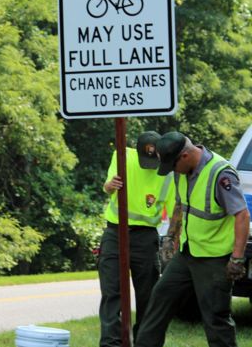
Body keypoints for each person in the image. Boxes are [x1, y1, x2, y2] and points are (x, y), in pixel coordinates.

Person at [135, 131, 250, 347]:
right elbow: (181, 205)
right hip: (187, 254)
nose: (171, 171)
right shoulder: (181, 171)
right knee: (159, 298)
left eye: (172, 165)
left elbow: (242, 215)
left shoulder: (220, 174)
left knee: (216, 318)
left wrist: (237, 259)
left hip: (214, 260)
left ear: (185, 156)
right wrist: (170, 238)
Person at [98, 131, 175, 346]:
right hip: (115, 232)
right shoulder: (122, 155)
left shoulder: (168, 173)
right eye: (146, 159)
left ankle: (144, 341)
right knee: (111, 291)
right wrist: (109, 186)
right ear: (137, 150)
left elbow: (174, 211)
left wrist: (172, 241)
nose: (149, 164)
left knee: (147, 295)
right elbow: (107, 187)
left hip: (145, 237)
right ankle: (111, 343)